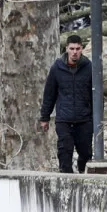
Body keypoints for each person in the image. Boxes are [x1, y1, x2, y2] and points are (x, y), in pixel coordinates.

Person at [38, 35, 94, 173]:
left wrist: (97, 119)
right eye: (72, 49)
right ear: (66, 49)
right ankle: (66, 180)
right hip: (64, 119)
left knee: (86, 154)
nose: (75, 52)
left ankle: (82, 176)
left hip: (84, 119)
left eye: (78, 49)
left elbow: (96, 94)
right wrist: (44, 117)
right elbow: (49, 94)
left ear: (82, 49)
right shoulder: (57, 68)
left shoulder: (89, 67)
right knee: (64, 153)